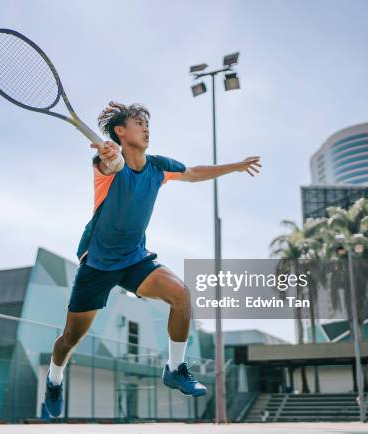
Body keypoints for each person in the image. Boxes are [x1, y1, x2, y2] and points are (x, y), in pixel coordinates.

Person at [44, 101, 262, 417]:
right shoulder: (106, 165)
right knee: (69, 341)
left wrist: (235, 166)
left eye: (147, 124)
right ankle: (55, 378)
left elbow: (195, 172)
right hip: (98, 265)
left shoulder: (158, 167)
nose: (146, 128)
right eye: (138, 123)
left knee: (182, 296)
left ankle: (175, 368)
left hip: (135, 260)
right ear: (120, 131)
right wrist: (110, 157)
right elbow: (112, 165)